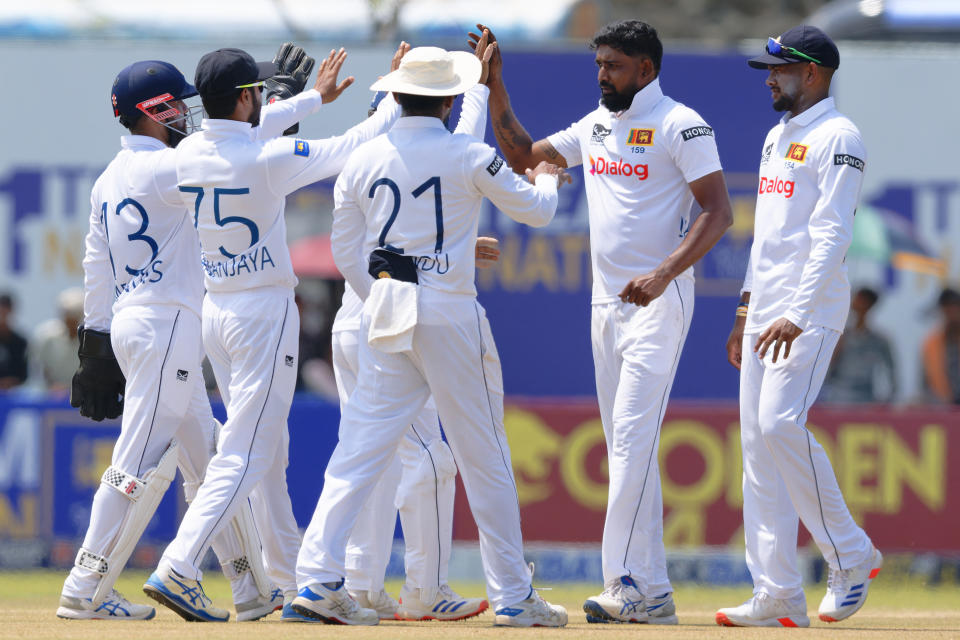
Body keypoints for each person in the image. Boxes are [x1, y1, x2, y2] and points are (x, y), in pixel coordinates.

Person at [293, 44, 569, 627]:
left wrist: (387, 295)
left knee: (359, 452)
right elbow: (537, 213)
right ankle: (515, 597)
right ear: (447, 99)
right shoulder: (469, 154)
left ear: (394, 95)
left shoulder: (362, 162)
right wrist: (546, 178)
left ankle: (316, 581)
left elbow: (347, 254)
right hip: (451, 315)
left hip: (388, 317)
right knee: (485, 455)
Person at [476, 20, 733, 624]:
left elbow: (718, 212)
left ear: (645, 68)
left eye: (613, 66)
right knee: (627, 453)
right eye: (598, 65)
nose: (601, 76)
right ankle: (654, 589)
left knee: (632, 442)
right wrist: (496, 87)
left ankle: (625, 581)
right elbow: (519, 155)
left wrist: (665, 273)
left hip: (659, 305)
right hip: (605, 306)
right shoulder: (595, 126)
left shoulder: (681, 123)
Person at [143, 45, 405, 622]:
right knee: (249, 451)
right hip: (263, 314)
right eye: (257, 92)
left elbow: (250, 129)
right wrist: (396, 94)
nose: (263, 99)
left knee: (268, 453)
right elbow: (353, 145)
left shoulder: (186, 154)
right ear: (244, 98)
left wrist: (308, 98)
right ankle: (179, 566)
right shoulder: (269, 158)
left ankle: (281, 579)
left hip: (218, 311)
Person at [59, 50, 322, 621]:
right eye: (177, 105)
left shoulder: (109, 178)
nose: (187, 115)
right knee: (138, 460)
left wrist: (94, 347)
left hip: (136, 323)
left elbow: (93, 267)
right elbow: (239, 158)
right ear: (153, 111)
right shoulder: (165, 169)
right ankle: (85, 587)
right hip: (168, 326)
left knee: (207, 461)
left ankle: (252, 588)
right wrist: (282, 105)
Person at [720, 25, 882, 627]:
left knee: (779, 425)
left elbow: (831, 233)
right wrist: (746, 309)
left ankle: (851, 554)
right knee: (758, 450)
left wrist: (794, 309)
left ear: (811, 73)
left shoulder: (841, 137)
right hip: (767, 310)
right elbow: (769, 237)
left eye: (779, 70)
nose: (769, 78)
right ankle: (778, 592)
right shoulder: (777, 135)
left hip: (809, 311)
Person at [335, 39, 495, 622]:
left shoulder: (376, 149)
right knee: (431, 460)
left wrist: (444, 248)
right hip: (391, 319)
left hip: (361, 317)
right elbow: (465, 145)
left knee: (368, 460)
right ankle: (425, 591)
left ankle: (358, 584)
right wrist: (477, 83)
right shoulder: (421, 148)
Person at [821, 287, 896, 403]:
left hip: (867, 398)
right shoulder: (840, 335)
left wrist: (888, 399)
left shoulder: (879, 340)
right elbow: (827, 367)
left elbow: (891, 371)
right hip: (838, 397)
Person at [31, 287, 83, 392]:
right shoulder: (46, 336)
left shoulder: (91, 340)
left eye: (74, 314)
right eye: (66, 313)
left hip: (82, 401)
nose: (69, 319)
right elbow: (40, 369)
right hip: (51, 399)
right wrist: (52, 386)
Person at [922, 287, 960, 404]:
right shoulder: (931, 344)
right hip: (944, 410)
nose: (951, 312)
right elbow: (926, 384)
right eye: (946, 308)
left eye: (954, 307)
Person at [0, 293, 28, 390]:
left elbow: (24, 374)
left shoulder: (20, 341)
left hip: (14, 394)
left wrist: (11, 382)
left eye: (5, 309)